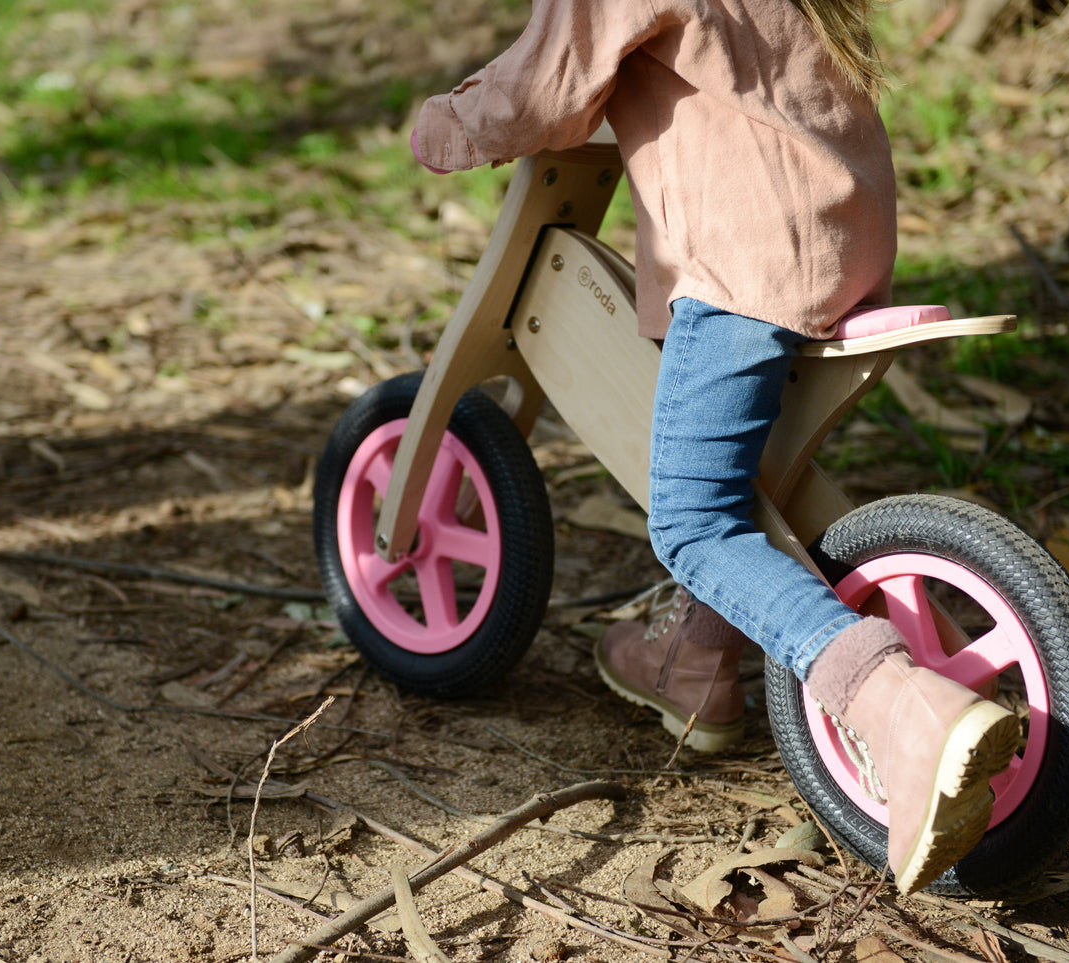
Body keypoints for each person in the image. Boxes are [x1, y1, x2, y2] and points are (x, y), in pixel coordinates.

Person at [409, 0, 1020, 894]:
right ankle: (697, 657)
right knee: (755, 467)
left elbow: (544, 88)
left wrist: (444, 122)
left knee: (695, 523)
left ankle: (897, 703)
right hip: (837, 235)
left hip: (745, 263)